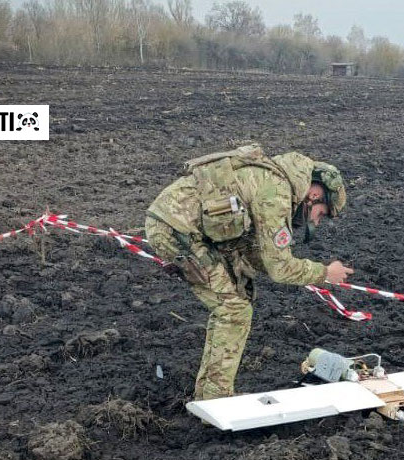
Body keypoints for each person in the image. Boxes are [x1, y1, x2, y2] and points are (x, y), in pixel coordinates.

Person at [145, 144, 355, 401]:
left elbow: (256, 252)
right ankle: (216, 400)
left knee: (235, 303)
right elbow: (279, 268)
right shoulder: (275, 193)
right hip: (175, 228)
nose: (315, 221)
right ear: (313, 194)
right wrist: (323, 273)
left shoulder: (274, 181)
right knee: (233, 311)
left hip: (181, 226)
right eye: (320, 214)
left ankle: (209, 395)